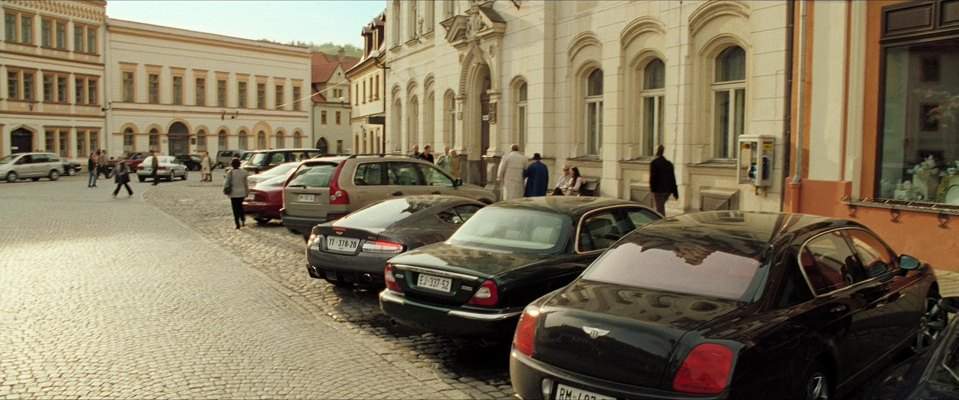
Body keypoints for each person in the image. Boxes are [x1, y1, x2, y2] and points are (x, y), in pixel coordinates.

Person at [649, 145, 679, 215]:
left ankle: (661, 222)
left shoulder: (654, 163)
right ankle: (659, 220)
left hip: (658, 190)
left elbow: (653, 177)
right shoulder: (669, 164)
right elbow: (673, 178)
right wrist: (675, 192)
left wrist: (652, 189)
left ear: (657, 152)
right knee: (660, 206)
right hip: (667, 190)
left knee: (660, 209)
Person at [223, 158, 250, 229]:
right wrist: (247, 192)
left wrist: (225, 190)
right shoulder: (244, 172)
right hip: (242, 192)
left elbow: (226, 183)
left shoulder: (230, 173)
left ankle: (237, 223)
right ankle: (243, 219)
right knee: (241, 207)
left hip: (233, 193)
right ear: (239, 164)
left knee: (235, 209)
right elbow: (246, 184)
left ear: (232, 165)